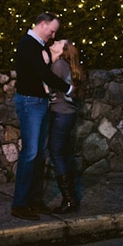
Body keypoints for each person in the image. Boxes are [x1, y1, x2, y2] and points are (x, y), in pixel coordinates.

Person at [11, 13, 73, 221]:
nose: (53, 35)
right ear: (43, 24)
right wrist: (68, 88)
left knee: (39, 153)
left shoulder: (39, 46)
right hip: (30, 102)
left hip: (39, 102)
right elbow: (42, 73)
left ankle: (34, 199)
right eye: (52, 30)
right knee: (30, 153)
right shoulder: (28, 44)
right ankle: (20, 204)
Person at [47, 39, 84, 213]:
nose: (55, 41)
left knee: (57, 153)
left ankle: (69, 200)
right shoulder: (64, 65)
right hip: (66, 114)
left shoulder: (59, 65)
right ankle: (70, 198)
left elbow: (49, 88)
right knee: (60, 152)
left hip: (61, 114)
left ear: (63, 51)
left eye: (59, 42)